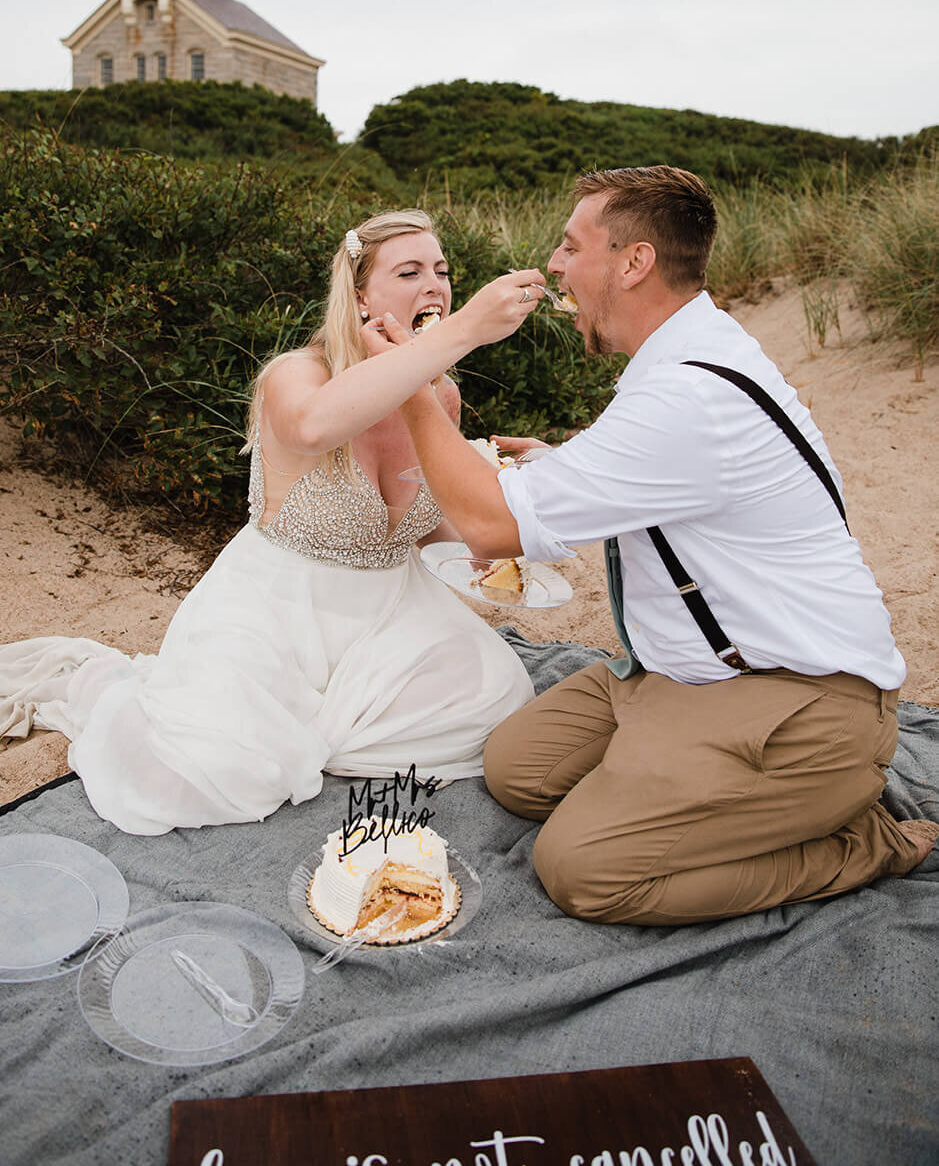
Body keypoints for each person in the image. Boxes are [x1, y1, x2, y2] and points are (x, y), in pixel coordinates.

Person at [359, 166, 939, 925]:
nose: (554, 265)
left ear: (633, 263)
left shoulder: (684, 395)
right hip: (679, 670)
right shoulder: (685, 353)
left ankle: (862, 843)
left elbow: (493, 529)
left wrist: (412, 383)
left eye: (570, 246)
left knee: (581, 870)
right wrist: (555, 464)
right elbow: (653, 474)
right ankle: (677, 775)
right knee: (516, 771)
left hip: (797, 701)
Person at [0, 210, 533, 835]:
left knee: (496, 700)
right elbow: (313, 427)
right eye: (409, 271)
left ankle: (310, 731)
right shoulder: (298, 374)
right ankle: (217, 713)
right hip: (276, 613)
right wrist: (460, 334)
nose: (436, 286)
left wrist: (482, 557)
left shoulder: (441, 395)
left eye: (443, 271)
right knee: (191, 780)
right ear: (360, 293)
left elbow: (426, 522)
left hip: (393, 610)